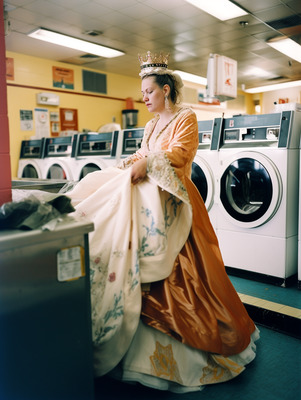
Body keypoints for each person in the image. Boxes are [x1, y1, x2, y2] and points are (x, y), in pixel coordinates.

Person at [66, 51, 259, 393]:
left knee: (184, 270)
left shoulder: (186, 117)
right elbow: (143, 153)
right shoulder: (151, 124)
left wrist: (150, 160)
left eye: (149, 92)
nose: (144, 98)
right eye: (143, 93)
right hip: (146, 197)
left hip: (175, 201)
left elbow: (182, 154)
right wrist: (129, 164)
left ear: (166, 90)